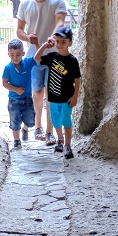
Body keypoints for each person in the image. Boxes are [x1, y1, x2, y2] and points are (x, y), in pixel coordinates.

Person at [16, 0, 67, 144]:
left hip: (54, 55)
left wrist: (53, 37)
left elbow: (60, 22)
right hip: (34, 55)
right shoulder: (25, 4)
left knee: (52, 94)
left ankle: (49, 131)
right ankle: (37, 126)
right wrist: (28, 37)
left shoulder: (58, 1)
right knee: (37, 92)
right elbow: (19, 31)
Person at [34, 26, 81, 159]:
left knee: (66, 121)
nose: (60, 44)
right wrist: (44, 45)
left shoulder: (72, 61)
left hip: (67, 98)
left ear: (70, 43)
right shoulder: (52, 57)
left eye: (63, 42)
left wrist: (75, 96)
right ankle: (60, 140)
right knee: (56, 121)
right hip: (53, 98)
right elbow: (37, 58)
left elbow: (77, 80)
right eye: (58, 41)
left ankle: (67, 145)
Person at [1, 38, 36, 148]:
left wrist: (42, 45)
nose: (15, 58)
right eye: (12, 55)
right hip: (14, 100)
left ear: (23, 53)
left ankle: (25, 129)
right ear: (8, 54)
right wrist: (16, 89)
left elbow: (38, 57)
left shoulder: (27, 63)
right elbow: (4, 83)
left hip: (27, 98)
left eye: (18, 55)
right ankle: (16, 140)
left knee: (30, 118)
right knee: (15, 121)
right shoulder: (8, 68)